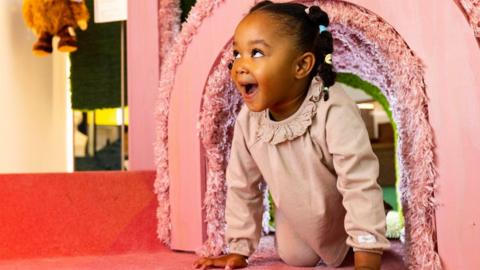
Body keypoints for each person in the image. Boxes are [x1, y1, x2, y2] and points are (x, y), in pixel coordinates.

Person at [194, 1, 390, 269]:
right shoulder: (249, 121)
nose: (239, 65)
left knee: (356, 240)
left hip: (344, 216)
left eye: (257, 53)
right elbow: (243, 185)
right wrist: (238, 249)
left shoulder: (331, 107)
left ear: (301, 66)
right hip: (299, 218)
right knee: (295, 256)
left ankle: (379, 219)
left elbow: (358, 181)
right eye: (237, 53)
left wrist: (367, 249)